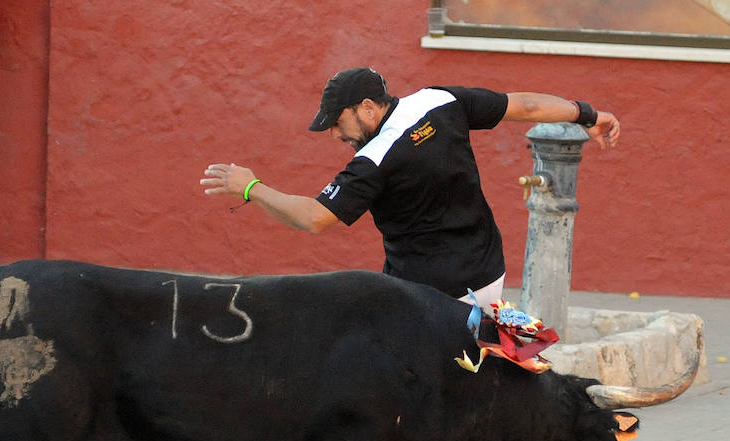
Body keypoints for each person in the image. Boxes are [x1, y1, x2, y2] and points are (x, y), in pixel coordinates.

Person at [200, 67, 620, 309]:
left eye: (337, 123)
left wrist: (251, 186)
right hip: (488, 274)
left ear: (367, 108)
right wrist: (586, 113)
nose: (335, 136)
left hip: (426, 297)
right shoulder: (440, 100)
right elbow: (524, 106)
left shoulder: (374, 160)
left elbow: (314, 218)